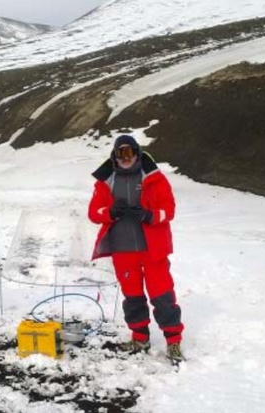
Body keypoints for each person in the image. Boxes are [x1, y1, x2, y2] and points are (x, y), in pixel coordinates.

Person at [88, 134, 185, 365]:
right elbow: (94, 213)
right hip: (123, 250)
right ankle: (140, 339)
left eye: (129, 152)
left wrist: (149, 215)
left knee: (162, 295)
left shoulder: (155, 179)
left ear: (137, 153)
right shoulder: (106, 181)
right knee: (133, 297)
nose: (125, 158)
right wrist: (110, 212)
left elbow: (169, 209)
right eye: (120, 153)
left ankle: (173, 342)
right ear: (114, 155)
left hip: (152, 249)